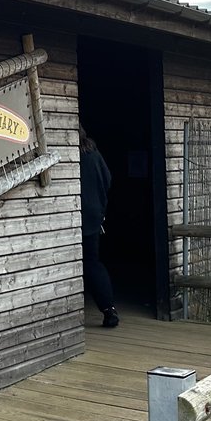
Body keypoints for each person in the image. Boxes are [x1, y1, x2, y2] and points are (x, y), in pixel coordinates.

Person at [80, 129, 119, 328]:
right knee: (92, 263)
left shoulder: (74, 154)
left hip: (79, 214)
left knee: (87, 263)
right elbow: (108, 179)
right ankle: (108, 309)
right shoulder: (93, 153)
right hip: (94, 215)